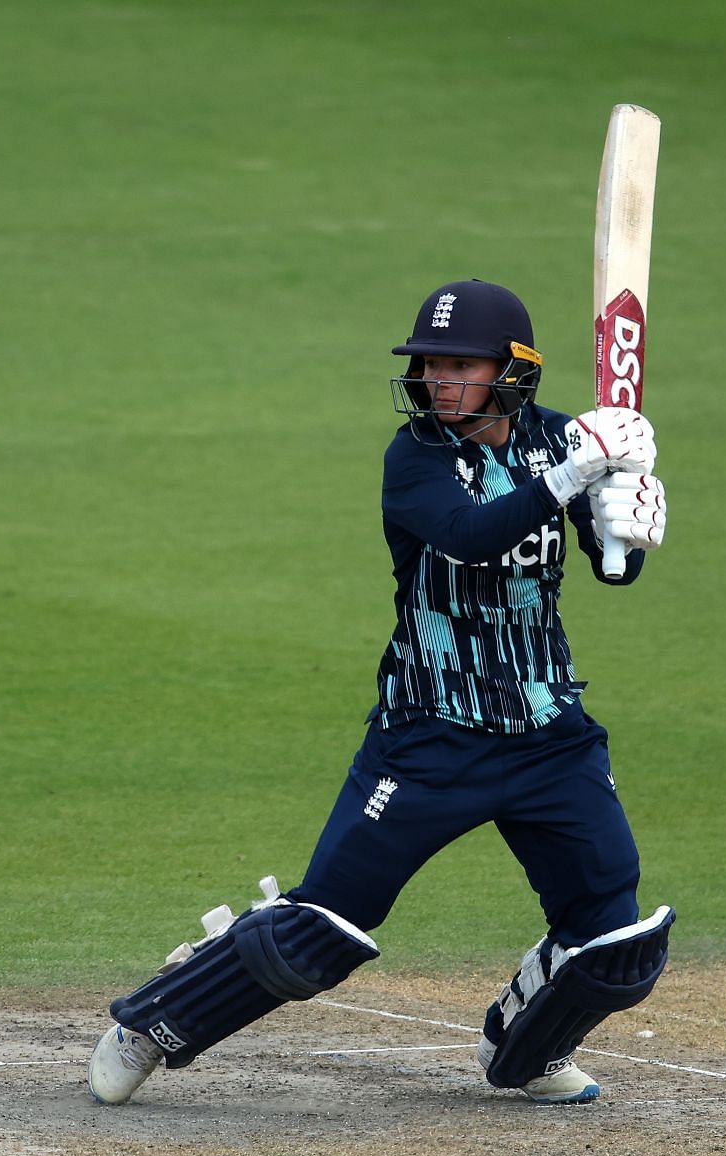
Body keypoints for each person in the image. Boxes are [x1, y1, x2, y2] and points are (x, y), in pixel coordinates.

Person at [88, 281, 673, 1106]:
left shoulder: (560, 440)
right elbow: (472, 537)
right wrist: (578, 470)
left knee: (616, 934)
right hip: (430, 737)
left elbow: (616, 566)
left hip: (549, 732)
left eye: (459, 365)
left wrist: (627, 512)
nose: (438, 380)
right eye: (430, 364)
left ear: (513, 371)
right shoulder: (416, 460)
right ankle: (155, 1020)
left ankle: (524, 1051)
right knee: (318, 932)